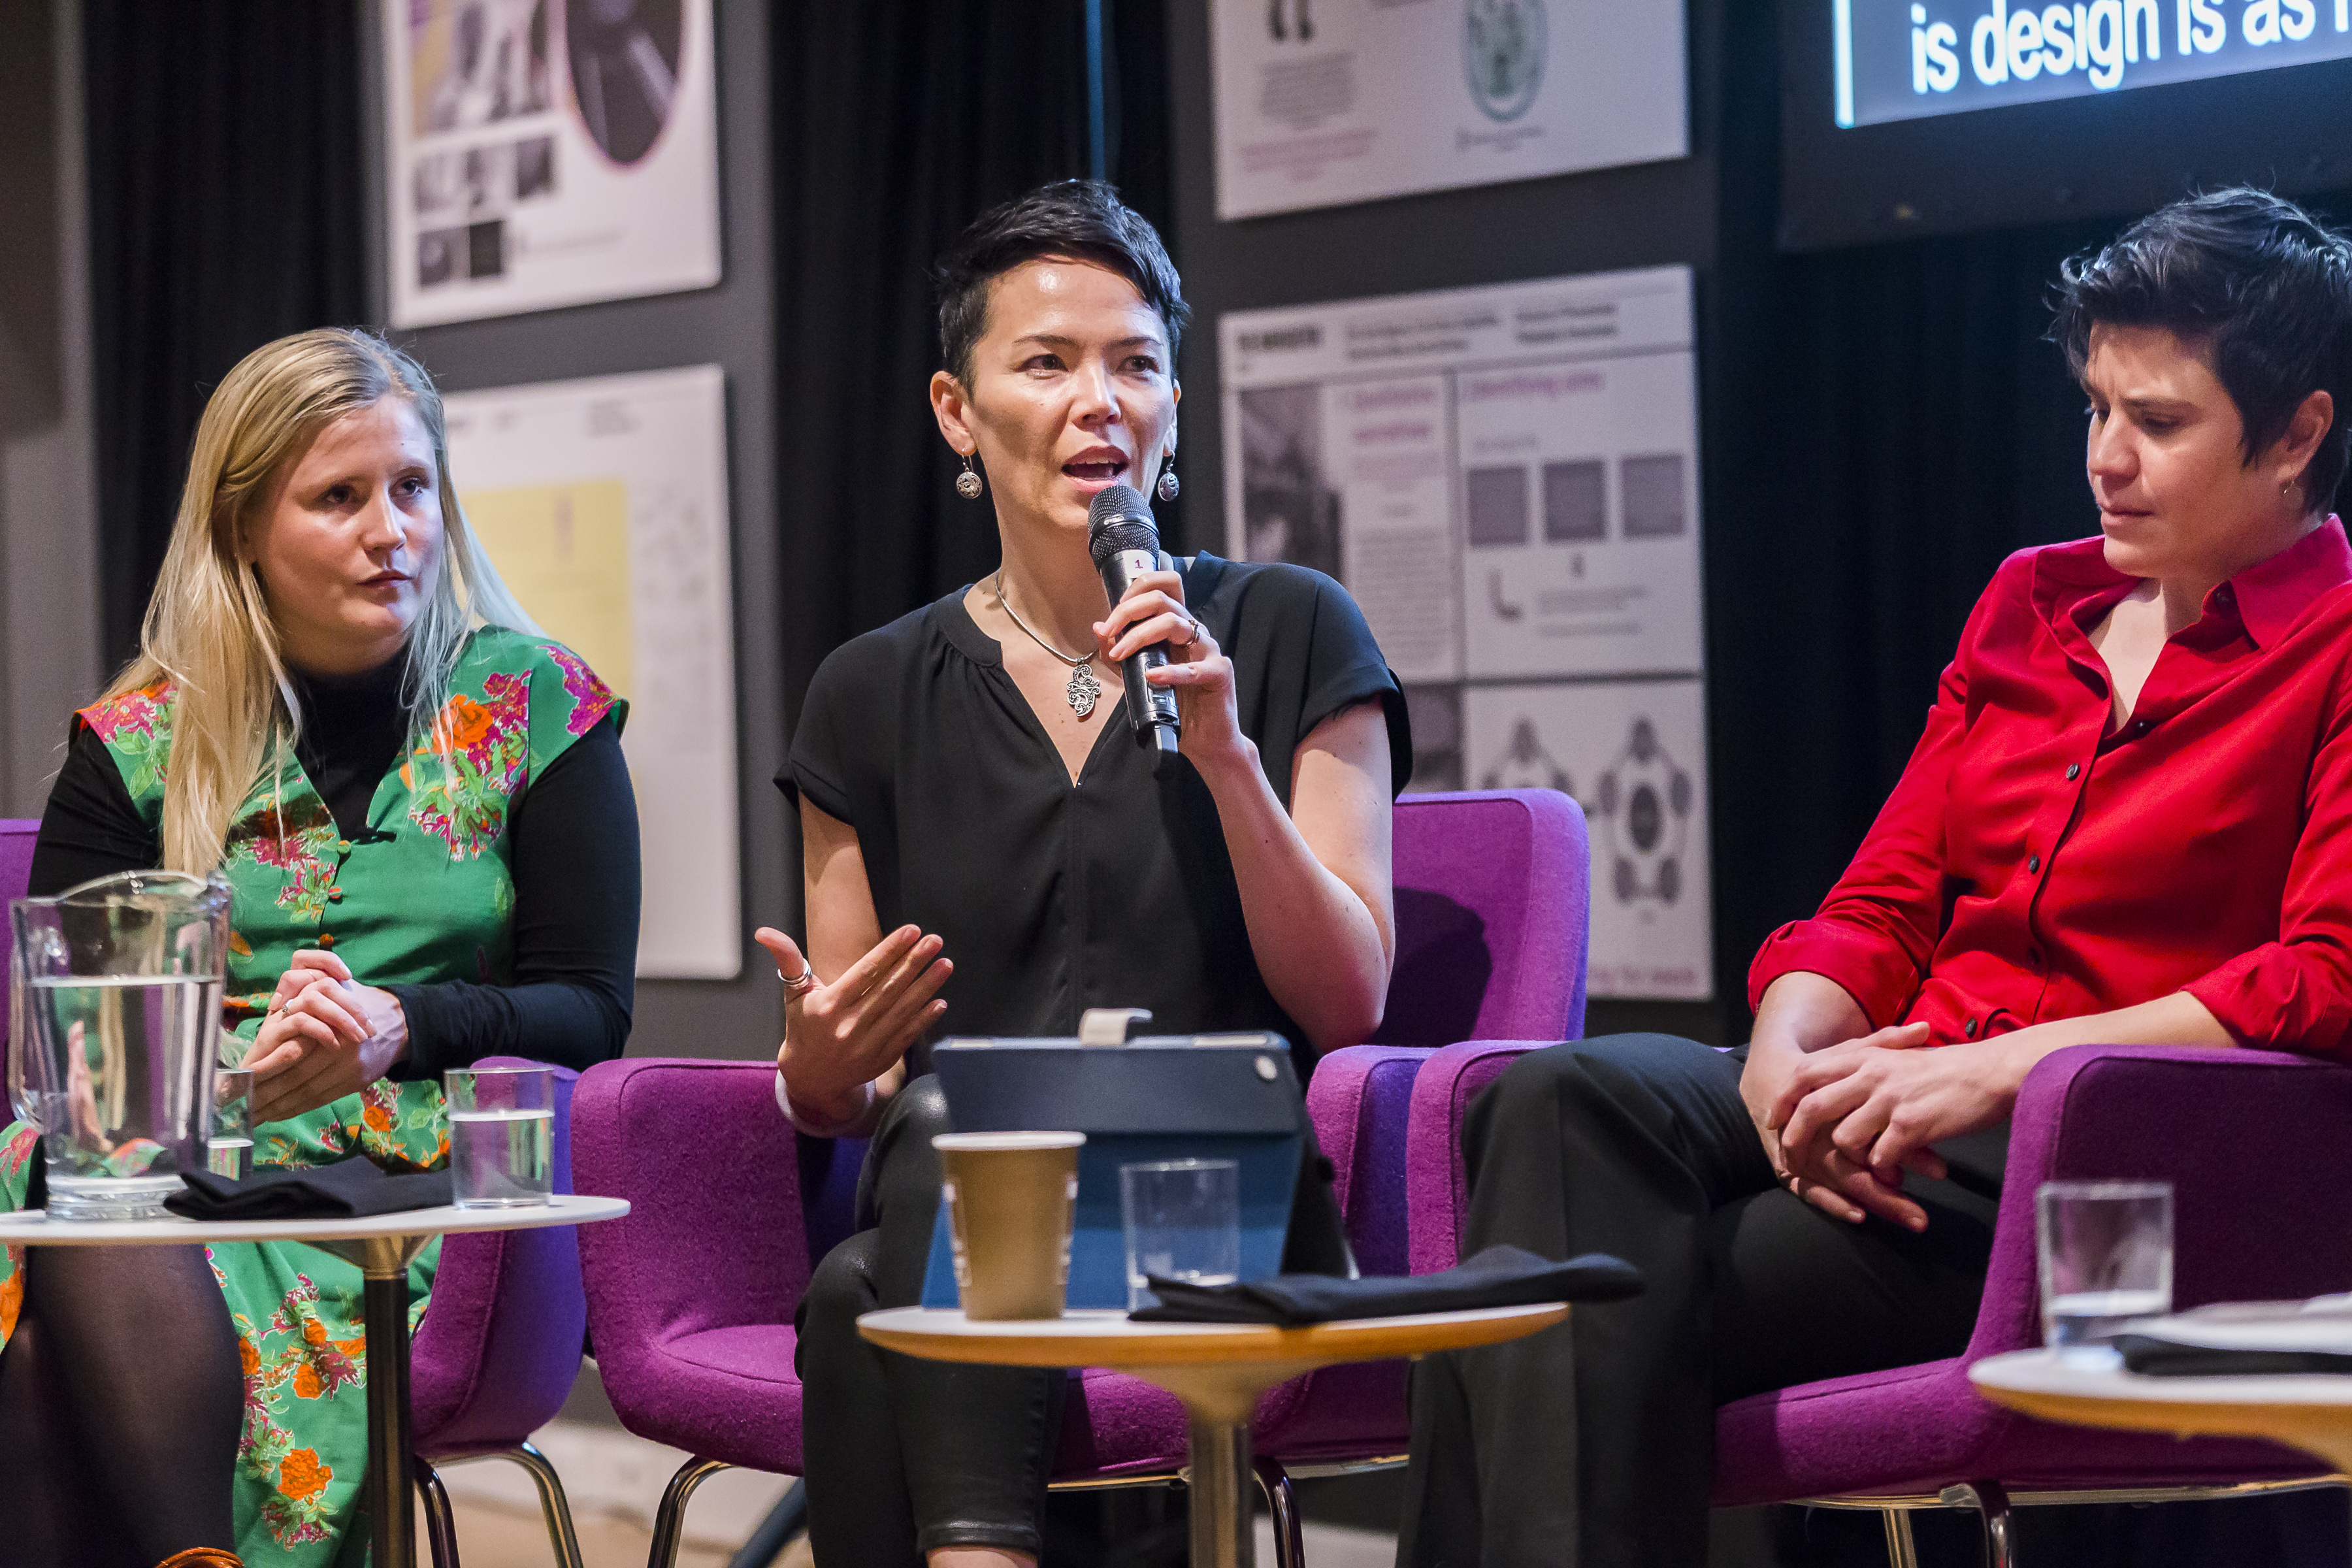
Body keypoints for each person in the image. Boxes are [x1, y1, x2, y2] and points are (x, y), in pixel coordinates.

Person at [1398, 186, 2352, 1567]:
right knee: (1547, 1096)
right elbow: (1884, 900)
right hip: (1898, 1085)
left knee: (1536, 1299)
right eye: (2095, 409)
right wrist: (1787, 1056)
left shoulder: (2335, 648)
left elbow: (2323, 976)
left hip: (2089, 1166)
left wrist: (1991, 1073)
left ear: (2301, 435)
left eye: (2159, 424)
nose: (2106, 458)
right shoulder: (2031, 603)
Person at [770, 180, 1411, 1567]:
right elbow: (848, 1086)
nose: (1098, 402)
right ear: (958, 409)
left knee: (869, 1269)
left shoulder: (1291, 630)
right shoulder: (867, 693)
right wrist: (815, 1068)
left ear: (1177, 403)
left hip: (1220, 1195)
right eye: (1047, 363)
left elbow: (1351, 998)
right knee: (911, 1184)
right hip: (957, 1196)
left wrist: (1227, 756)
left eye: (1135, 364)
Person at [0, 328, 640, 1568]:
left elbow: (592, 1012)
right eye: (338, 499)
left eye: (411, 489)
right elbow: (72, 1043)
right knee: (86, 1226)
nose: (390, 531)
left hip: (430, 1189)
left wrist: (404, 1026)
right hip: (182, 1174)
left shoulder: (538, 704)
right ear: (244, 528)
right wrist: (239, 1062)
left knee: (52, 1348)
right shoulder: (136, 742)